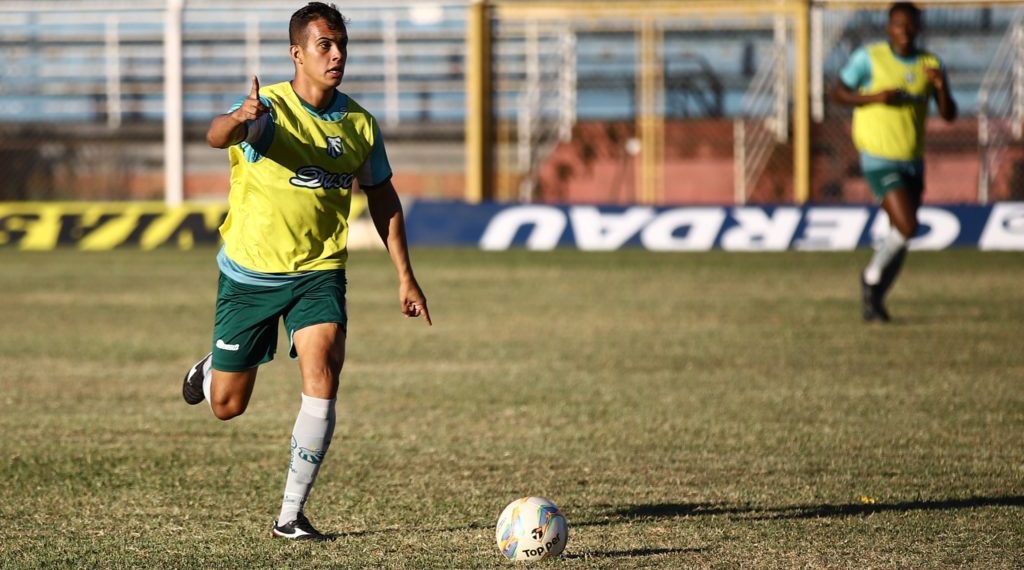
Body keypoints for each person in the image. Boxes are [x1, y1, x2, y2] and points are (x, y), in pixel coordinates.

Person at [181, 2, 431, 540]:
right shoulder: (266, 110)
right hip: (250, 275)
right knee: (227, 406)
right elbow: (216, 136)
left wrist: (405, 276)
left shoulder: (360, 124)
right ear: (297, 53)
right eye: (324, 45)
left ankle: (289, 516)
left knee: (325, 370)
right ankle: (211, 369)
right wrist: (239, 118)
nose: (337, 55)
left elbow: (383, 198)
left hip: (319, 272)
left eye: (341, 45)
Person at [831, 1, 957, 322]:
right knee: (907, 225)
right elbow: (838, 94)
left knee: (901, 236)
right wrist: (874, 97)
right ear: (889, 28)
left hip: (912, 159)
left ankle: (875, 302)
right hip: (878, 158)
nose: (905, 31)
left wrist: (941, 87)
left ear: (918, 27)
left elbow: (949, 114)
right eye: (899, 25)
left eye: (910, 25)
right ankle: (870, 276)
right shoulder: (869, 58)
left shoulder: (930, 63)